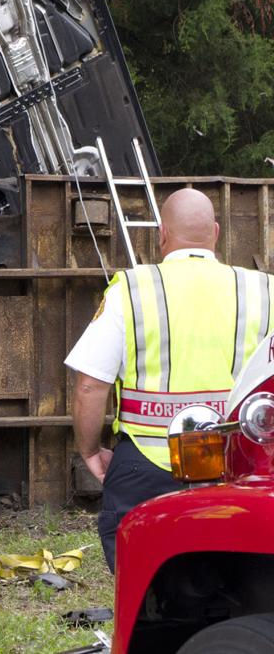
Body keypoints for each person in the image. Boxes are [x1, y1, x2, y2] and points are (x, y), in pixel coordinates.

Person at [67, 188, 273, 572]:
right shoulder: (264, 290)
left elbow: (90, 385)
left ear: (162, 234)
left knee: (143, 579)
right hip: (237, 465)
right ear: (215, 233)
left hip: (145, 467)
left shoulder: (131, 290)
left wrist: (90, 452)